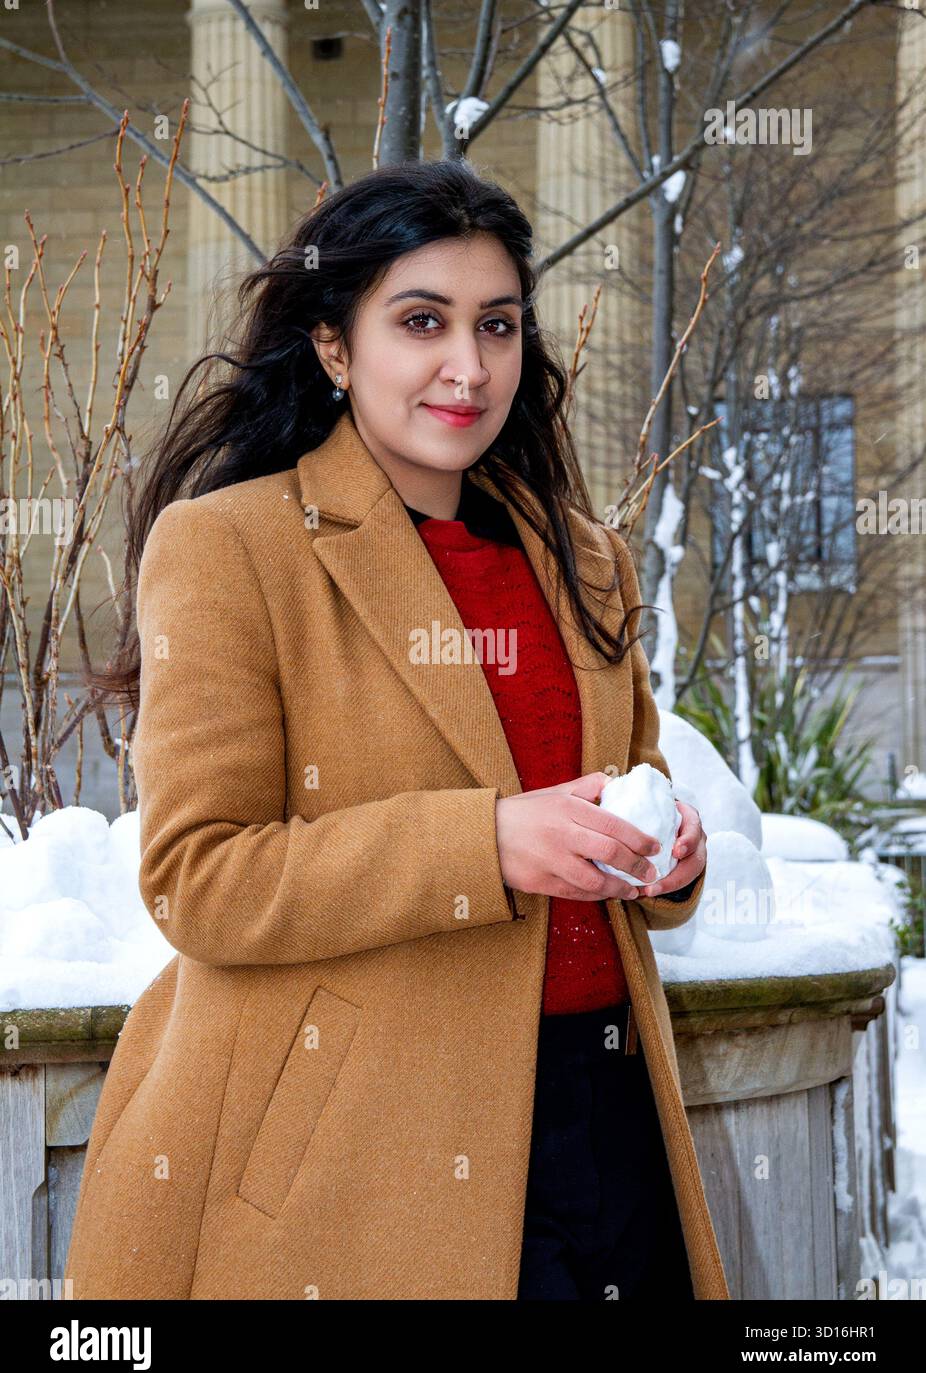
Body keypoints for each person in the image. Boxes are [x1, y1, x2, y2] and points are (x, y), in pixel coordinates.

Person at [69, 158, 728, 1301]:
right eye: (421, 322)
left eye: (498, 325)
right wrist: (486, 843)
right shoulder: (231, 546)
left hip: (607, 1118)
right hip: (372, 1152)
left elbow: (630, 774)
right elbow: (197, 877)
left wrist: (667, 853)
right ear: (334, 345)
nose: (467, 368)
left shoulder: (583, 556)